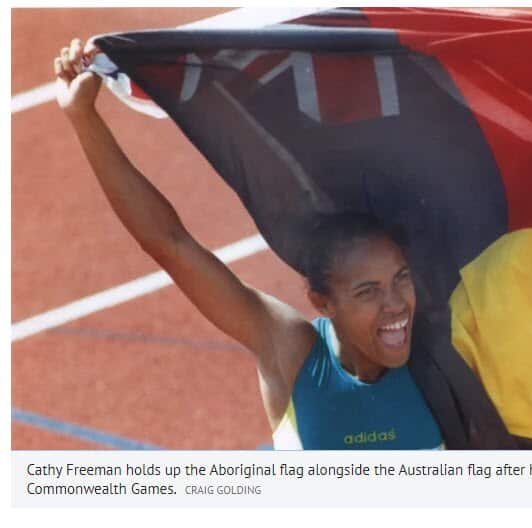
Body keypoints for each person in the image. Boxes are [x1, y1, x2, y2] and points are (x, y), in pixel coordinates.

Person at [53, 38, 443, 450]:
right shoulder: (293, 355)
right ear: (322, 302)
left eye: (401, 278)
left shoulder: (445, 352)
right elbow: (170, 243)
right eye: (368, 291)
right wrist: (83, 118)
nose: (396, 304)